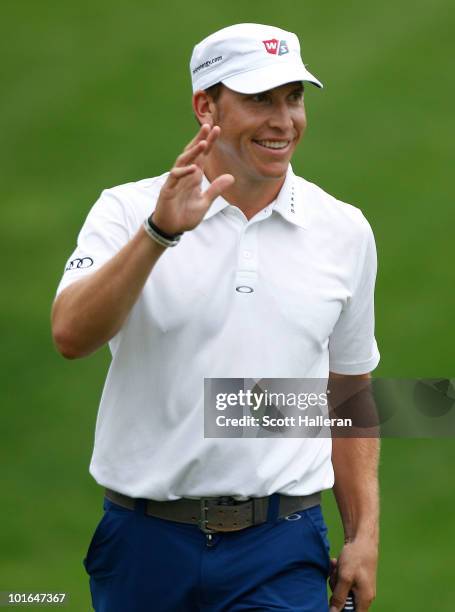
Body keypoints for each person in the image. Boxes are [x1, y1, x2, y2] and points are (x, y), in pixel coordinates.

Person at [51, 23, 380, 612]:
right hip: (144, 541)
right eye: (260, 100)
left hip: (282, 548)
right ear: (207, 107)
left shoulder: (344, 231)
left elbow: (348, 388)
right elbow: (70, 335)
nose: (284, 121)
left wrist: (363, 533)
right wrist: (159, 233)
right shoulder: (127, 210)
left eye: (294, 98)